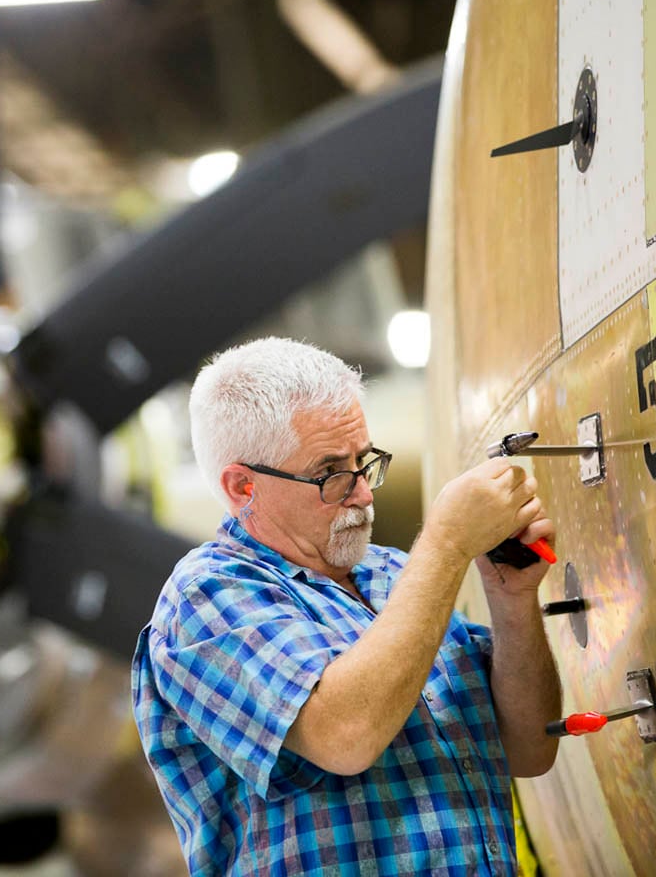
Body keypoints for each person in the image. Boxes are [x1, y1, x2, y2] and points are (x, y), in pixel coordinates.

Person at [132, 337, 561, 876]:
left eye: (365, 461)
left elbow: (528, 750)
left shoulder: (395, 577)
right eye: (331, 472)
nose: (363, 492)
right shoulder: (208, 596)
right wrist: (447, 543)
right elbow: (346, 735)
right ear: (243, 487)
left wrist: (512, 600)